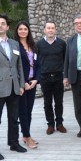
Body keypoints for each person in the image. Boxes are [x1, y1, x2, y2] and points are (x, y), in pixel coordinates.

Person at [0, 14, 27, 159]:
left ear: (7, 27)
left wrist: (21, 84)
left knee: (13, 117)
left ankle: (14, 143)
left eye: (3, 23)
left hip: (14, 87)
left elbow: (19, 67)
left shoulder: (14, 44)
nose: (0, 25)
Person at [63, 14, 81, 138]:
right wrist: (65, 76)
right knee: (78, 103)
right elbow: (67, 59)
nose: (78, 25)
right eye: (76, 23)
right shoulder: (71, 40)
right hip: (75, 75)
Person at [36, 21, 67, 135]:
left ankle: (59, 123)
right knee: (47, 102)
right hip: (45, 77)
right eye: (48, 28)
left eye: (52, 28)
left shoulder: (62, 43)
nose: (50, 30)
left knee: (59, 102)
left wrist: (65, 76)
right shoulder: (38, 44)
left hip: (58, 76)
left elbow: (65, 60)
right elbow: (36, 62)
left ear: (55, 29)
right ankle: (50, 124)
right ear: (44, 30)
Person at [14, 21, 41, 149]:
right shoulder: (14, 46)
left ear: (28, 31)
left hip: (32, 82)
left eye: (25, 29)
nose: (23, 31)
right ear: (17, 31)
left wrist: (36, 80)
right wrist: (23, 82)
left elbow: (39, 64)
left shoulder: (33, 45)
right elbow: (14, 67)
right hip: (22, 84)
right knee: (23, 112)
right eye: (21, 29)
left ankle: (26, 135)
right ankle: (27, 136)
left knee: (29, 111)